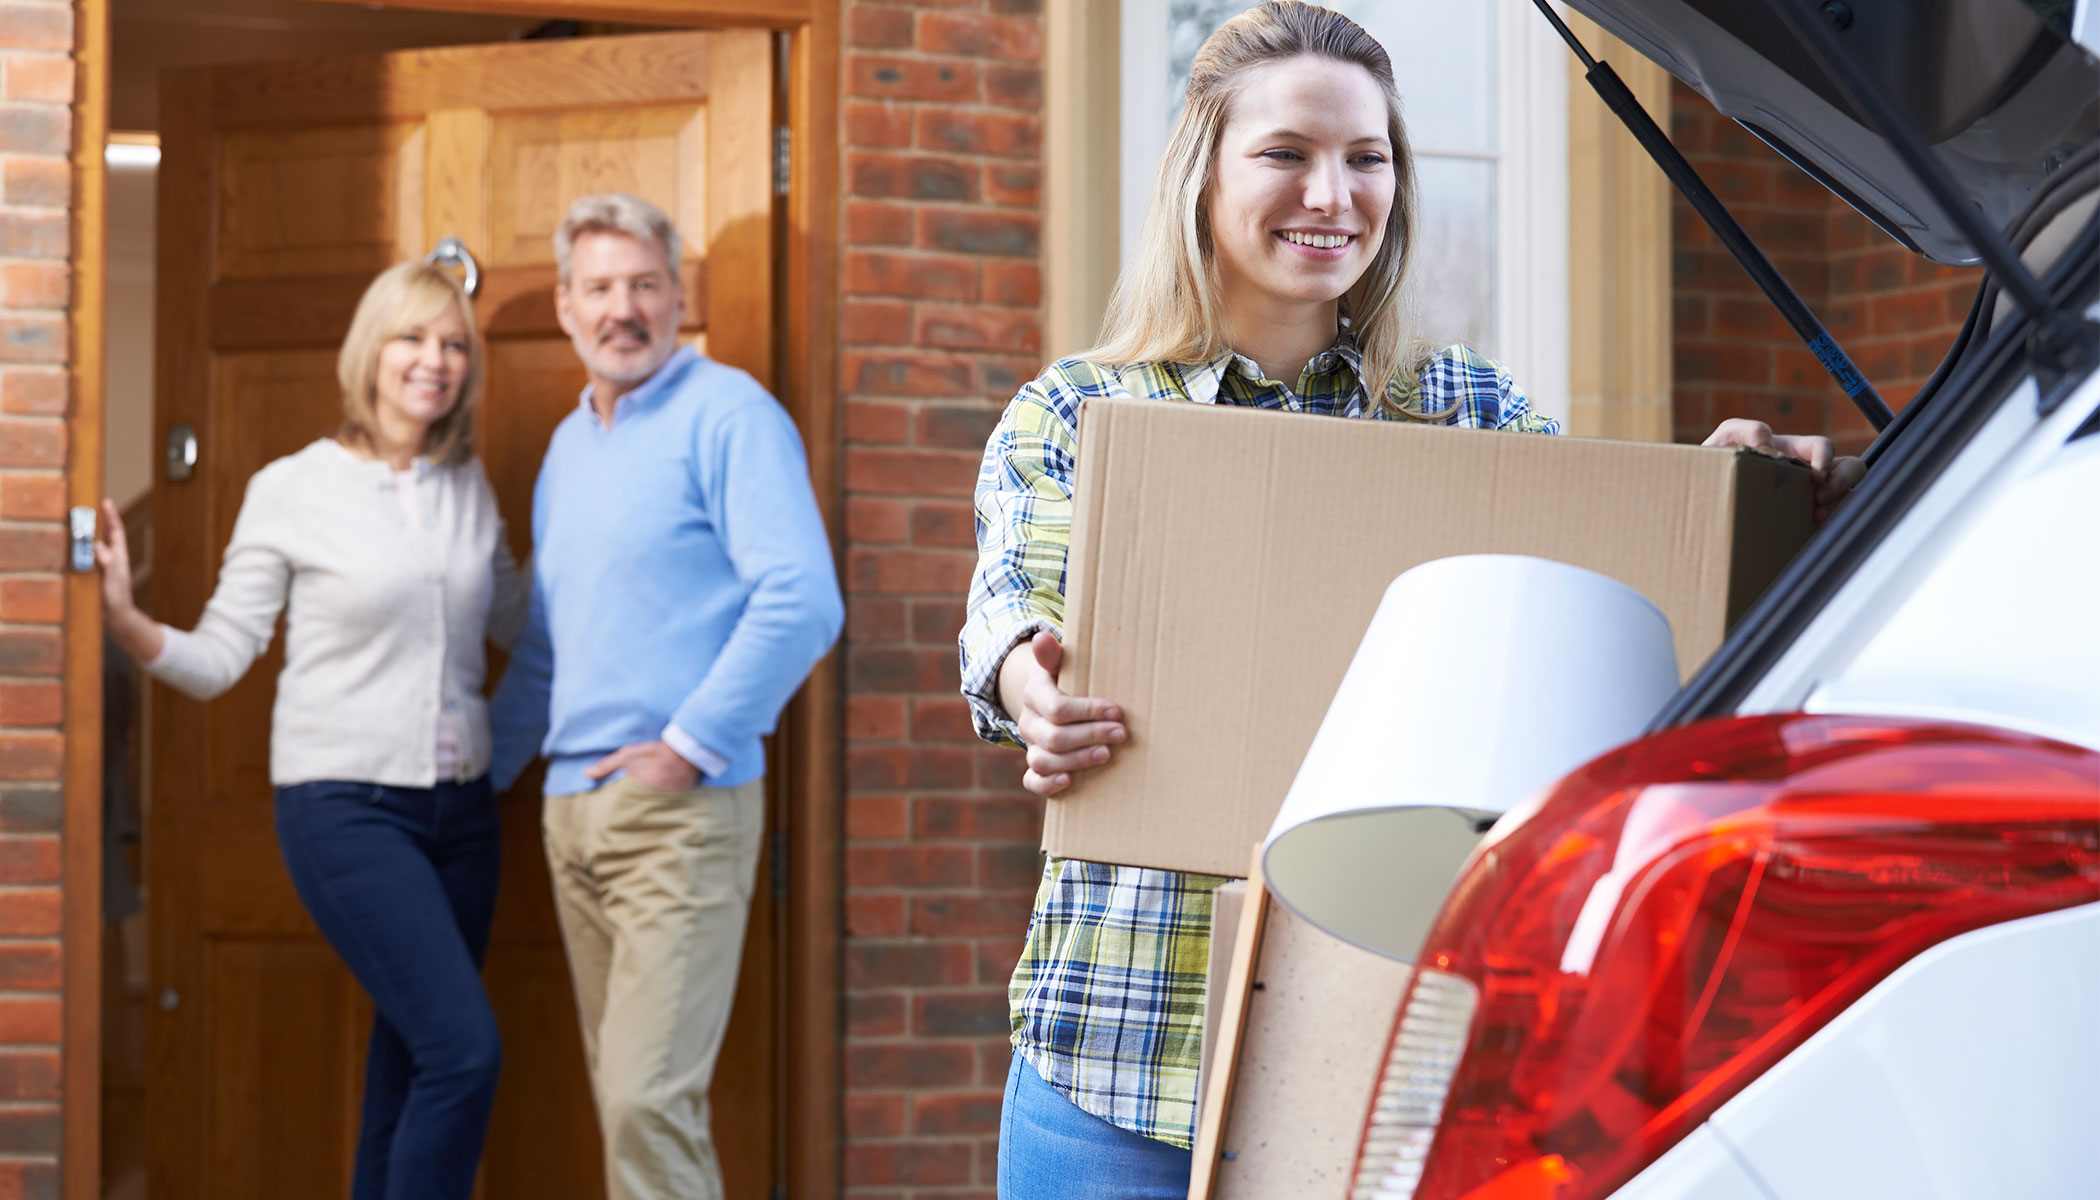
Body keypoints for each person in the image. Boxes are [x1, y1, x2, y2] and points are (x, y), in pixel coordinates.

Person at [959, 4, 1864, 1195]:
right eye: (1285, 153)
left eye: (1366, 158)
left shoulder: (1468, 413)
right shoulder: (1079, 413)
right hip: (1117, 1060)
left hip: (1371, 1055)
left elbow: (1597, 584)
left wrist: (1721, 487)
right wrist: (1035, 684)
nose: (1332, 194)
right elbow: (1015, 605)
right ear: (1203, 169)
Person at [96, 260, 524, 1200]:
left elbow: (521, 622)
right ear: (371, 352)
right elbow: (220, 655)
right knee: (464, 1052)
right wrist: (129, 622)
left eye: (454, 344)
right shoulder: (292, 488)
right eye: (413, 338)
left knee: (413, 1056)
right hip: (347, 809)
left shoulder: (468, 487)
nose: (435, 360)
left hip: (466, 817)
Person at [488, 192, 843, 1200]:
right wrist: (480, 778)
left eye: (645, 284)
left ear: (679, 297)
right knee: (625, 1103)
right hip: (571, 812)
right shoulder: (569, 447)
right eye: (599, 287)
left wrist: (686, 746)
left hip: (681, 810)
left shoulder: (727, 413)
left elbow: (802, 601)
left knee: (648, 1103)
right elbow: (553, 645)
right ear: (565, 307)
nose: (623, 308)